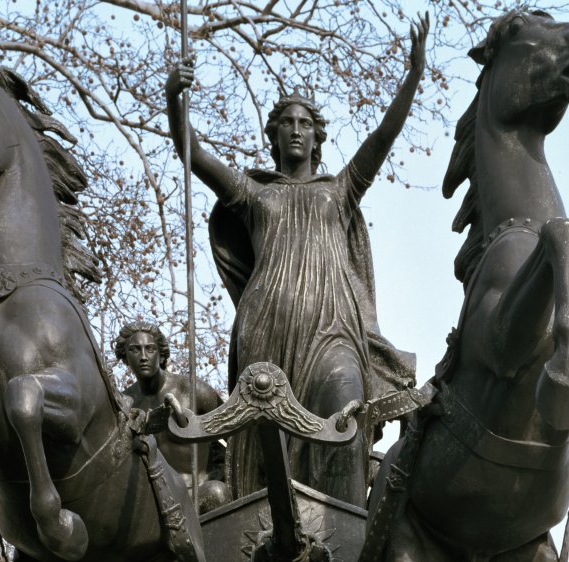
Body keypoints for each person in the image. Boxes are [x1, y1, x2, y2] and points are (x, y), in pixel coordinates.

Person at [165, 15, 429, 506]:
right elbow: (192, 152)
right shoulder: (252, 194)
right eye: (286, 122)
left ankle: (346, 526)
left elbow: (382, 139)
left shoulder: (340, 190)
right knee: (267, 446)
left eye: (305, 124)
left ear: (316, 138)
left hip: (333, 330)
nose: (295, 130)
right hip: (267, 328)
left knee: (346, 407)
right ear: (273, 133)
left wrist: (413, 76)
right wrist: (173, 97)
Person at [116, 321, 229, 513]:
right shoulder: (126, 405)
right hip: (159, 501)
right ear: (125, 358)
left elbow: (234, 431)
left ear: (161, 355)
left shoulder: (190, 390)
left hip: (201, 491)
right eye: (135, 350)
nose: (143, 357)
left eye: (150, 349)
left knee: (216, 492)